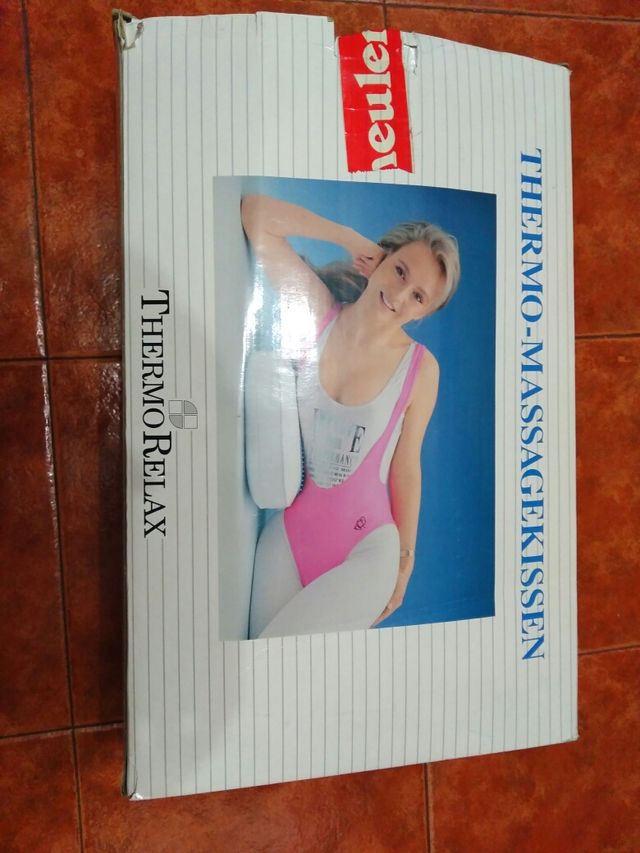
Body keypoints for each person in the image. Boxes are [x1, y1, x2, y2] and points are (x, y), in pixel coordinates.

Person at [241, 193, 460, 639]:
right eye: (400, 271)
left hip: (368, 551)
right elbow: (255, 215)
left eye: (418, 296)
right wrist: (346, 237)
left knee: (277, 663)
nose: (399, 295)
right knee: (258, 662)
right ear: (380, 258)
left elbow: (406, 467)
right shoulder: (315, 313)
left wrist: (405, 563)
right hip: (289, 537)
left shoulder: (420, 369)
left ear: (425, 311)